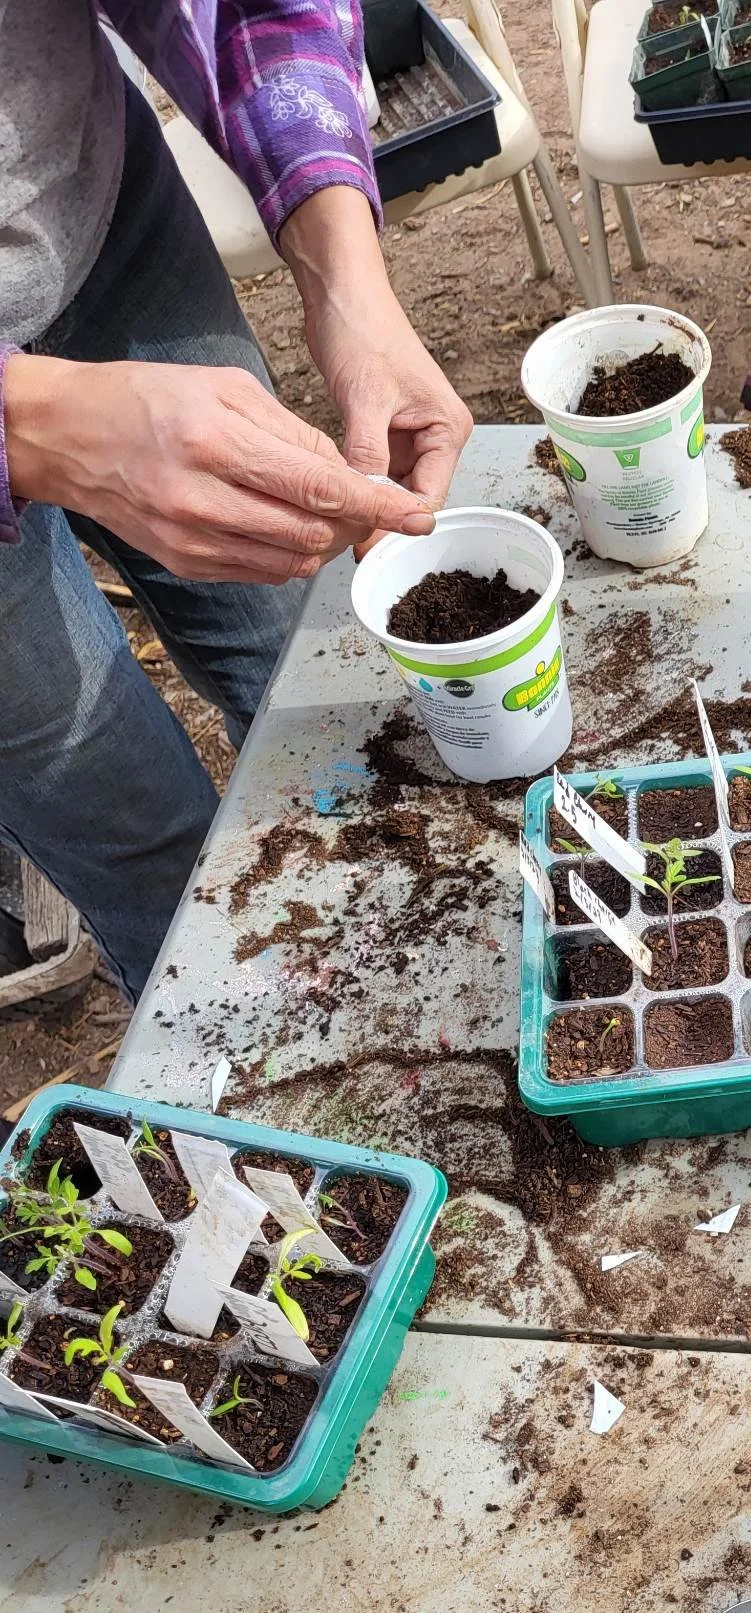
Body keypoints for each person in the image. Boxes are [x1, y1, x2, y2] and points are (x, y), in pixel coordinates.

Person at [0, 2, 473, 1002]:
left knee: (301, 655)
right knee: (149, 851)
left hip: (97, 203)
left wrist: (347, 275)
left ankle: (396, 969)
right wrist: (26, 424)